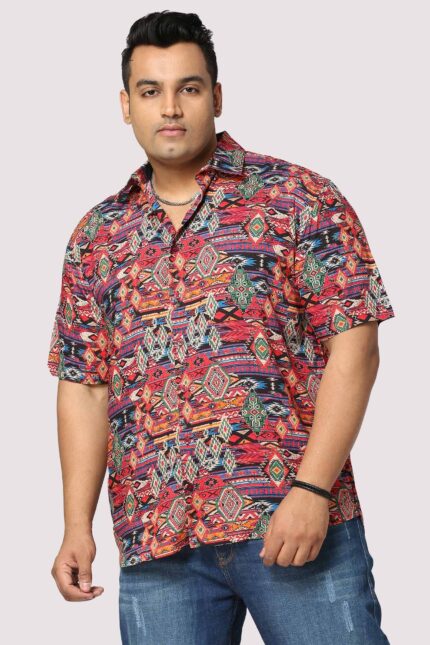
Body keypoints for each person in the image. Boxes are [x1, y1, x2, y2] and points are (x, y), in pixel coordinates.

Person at [48, 10, 395, 645]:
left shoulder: (298, 197)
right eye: (150, 91)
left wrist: (312, 488)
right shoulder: (97, 236)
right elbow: (84, 386)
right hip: (157, 539)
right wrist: (77, 524)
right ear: (126, 105)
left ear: (216, 95)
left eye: (188, 87)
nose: (170, 107)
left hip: (290, 521)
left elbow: (357, 347)